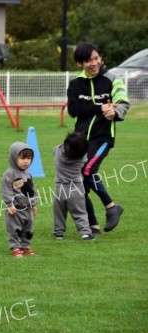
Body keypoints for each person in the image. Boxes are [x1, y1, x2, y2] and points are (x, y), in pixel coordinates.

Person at [67, 43, 130, 234]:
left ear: (100, 58)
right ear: (80, 63)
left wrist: (114, 112)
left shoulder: (113, 79)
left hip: (103, 138)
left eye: (96, 58)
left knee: (87, 170)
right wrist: (99, 107)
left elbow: (122, 102)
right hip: (80, 140)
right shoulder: (75, 84)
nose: (94, 63)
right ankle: (92, 225)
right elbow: (73, 110)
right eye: (88, 60)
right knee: (78, 182)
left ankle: (111, 207)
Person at [53, 132, 95, 241]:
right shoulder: (82, 158)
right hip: (76, 188)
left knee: (59, 213)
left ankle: (58, 233)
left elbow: (56, 149)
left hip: (60, 189)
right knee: (80, 212)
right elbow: (85, 156)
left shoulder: (58, 151)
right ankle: (85, 233)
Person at [1, 142, 39, 258]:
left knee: (28, 228)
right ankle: (16, 247)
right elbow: (6, 190)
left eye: (28, 158)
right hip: (15, 209)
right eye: (22, 158)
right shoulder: (9, 174)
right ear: (14, 158)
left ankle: (26, 246)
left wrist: (34, 203)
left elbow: (32, 189)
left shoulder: (28, 174)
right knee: (14, 229)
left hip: (27, 209)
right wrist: (9, 204)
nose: (26, 161)